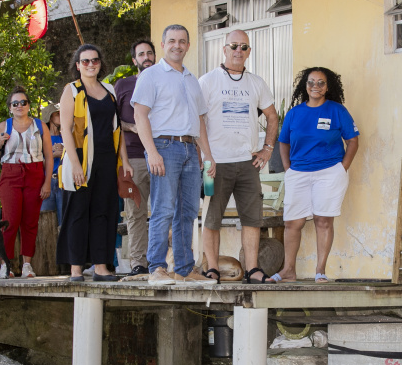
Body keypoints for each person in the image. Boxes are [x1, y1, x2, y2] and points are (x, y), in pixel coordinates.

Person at [131, 24, 217, 286]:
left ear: (188, 46)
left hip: (191, 149)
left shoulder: (191, 79)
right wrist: (152, 152)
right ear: (163, 43)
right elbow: (140, 114)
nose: (177, 45)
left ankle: (183, 268)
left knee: (188, 211)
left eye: (182, 41)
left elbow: (199, 120)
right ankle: (157, 267)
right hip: (164, 147)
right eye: (171, 41)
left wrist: (208, 156)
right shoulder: (152, 75)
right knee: (163, 209)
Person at [199, 29, 279, 283]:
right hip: (216, 163)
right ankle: (211, 268)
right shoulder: (208, 81)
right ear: (224, 49)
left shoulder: (256, 83)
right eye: (234, 46)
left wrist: (267, 149)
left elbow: (272, 116)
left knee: (252, 219)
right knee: (212, 219)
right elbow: (198, 120)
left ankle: (253, 269)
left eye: (243, 47)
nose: (238, 51)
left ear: (249, 52)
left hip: (247, 162)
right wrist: (207, 156)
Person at [271, 67, 359, 284]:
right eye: (311, 82)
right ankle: (289, 270)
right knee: (293, 222)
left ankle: (320, 270)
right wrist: (288, 168)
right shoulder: (294, 113)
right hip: (298, 172)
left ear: (327, 87)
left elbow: (353, 141)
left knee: (323, 220)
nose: (315, 87)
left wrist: (342, 168)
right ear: (305, 86)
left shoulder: (337, 111)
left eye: (321, 83)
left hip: (329, 172)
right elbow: (283, 142)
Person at [56, 44, 132, 282]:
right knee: (77, 212)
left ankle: (101, 266)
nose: (91, 64)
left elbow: (116, 128)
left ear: (100, 63)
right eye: (85, 61)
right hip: (81, 157)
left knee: (104, 212)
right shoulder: (72, 90)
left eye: (95, 60)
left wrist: (124, 161)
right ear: (77, 65)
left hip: (107, 158)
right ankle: (76, 268)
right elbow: (66, 130)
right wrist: (77, 164)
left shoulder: (108, 89)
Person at [0, 86, 53, 279]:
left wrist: (47, 183)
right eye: (15, 103)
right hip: (10, 174)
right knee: (10, 220)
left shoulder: (40, 126)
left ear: (28, 105)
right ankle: (5, 265)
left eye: (23, 102)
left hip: (34, 173)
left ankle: (27, 265)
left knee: (30, 221)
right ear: (10, 107)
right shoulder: (3, 126)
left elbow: (49, 157)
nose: (19, 106)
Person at [113, 39, 156, 277]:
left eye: (150, 53)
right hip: (135, 157)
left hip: (162, 155)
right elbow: (115, 123)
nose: (146, 57)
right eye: (141, 54)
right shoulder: (124, 85)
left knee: (163, 211)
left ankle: (159, 262)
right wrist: (134, 127)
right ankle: (139, 263)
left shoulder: (165, 82)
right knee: (136, 212)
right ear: (134, 60)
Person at [40, 103, 64, 225]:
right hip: (46, 183)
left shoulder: (65, 137)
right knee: (46, 222)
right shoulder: (41, 139)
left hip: (63, 183)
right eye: (58, 114)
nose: (61, 116)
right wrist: (52, 155)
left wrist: (64, 153)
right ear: (50, 118)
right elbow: (37, 165)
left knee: (63, 222)